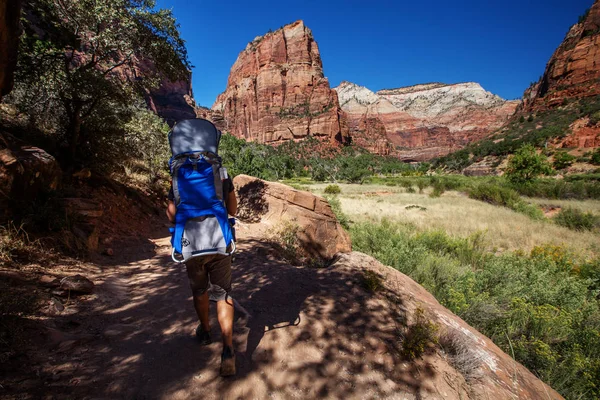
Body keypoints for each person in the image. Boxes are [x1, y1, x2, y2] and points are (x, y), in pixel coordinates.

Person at [166, 177, 238, 377]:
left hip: (192, 243)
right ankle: (228, 350)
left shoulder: (179, 174)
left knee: (199, 290)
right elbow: (233, 210)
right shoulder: (220, 173)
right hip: (219, 242)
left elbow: (172, 216)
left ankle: (205, 332)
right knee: (223, 294)